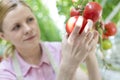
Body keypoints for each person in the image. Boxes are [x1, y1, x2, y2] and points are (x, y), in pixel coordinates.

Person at [0, 0, 102, 80]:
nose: (28, 29)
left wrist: (89, 54)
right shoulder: (5, 72)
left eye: (30, 20)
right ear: (4, 36)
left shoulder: (59, 50)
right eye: (16, 27)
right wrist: (67, 67)